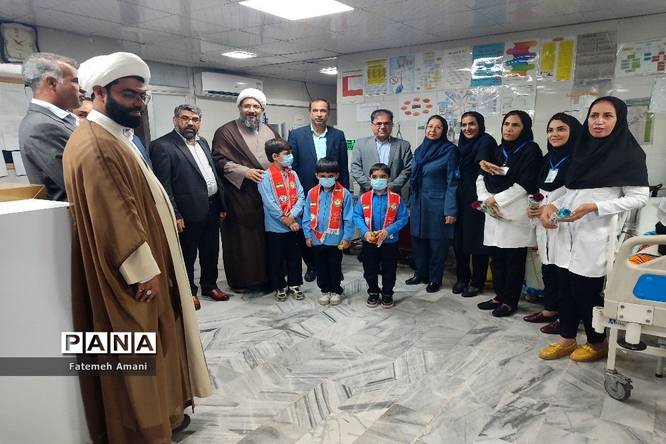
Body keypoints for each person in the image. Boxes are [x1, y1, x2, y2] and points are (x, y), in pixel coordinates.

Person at [63, 52, 212, 443]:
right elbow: (114, 212)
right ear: (99, 92)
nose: (139, 104)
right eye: (129, 95)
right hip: (134, 277)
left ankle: (168, 415)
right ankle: (145, 430)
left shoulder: (116, 136)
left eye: (142, 96)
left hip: (151, 265)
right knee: (137, 350)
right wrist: (142, 271)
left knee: (160, 344)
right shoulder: (96, 143)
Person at [539, 96, 649, 362]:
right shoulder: (581, 150)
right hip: (567, 229)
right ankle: (566, 339)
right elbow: (571, 189)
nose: (599, 121)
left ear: (619, 120)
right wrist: (550, 204)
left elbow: (639, 197)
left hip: (596, 233)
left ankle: (596, 341)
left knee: (585, 290)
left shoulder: (629, 154)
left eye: (607, 116)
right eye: (594, 115)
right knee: (564, 286)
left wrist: (595, 207)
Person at [150, 104, 229, 311]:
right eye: (185, 118)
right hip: (186, 212)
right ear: (175, 120)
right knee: (187, 255)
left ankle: (210, 286)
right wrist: (175, 214)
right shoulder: (162, 146)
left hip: (211, 207)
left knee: (211, 251)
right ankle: (188, 292)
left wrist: (221, 203)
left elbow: (212, 173)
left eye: (195, 119)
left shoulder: (203, 142)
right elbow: (164, 185)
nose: (190, 123)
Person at [476, 110, 543, 317]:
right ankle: (499, 296)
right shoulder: (497, 150)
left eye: (515, 125)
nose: (509, 129)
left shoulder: (530, 150)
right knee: (496, 259)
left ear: (525, 128)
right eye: (506, 124)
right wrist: (485, 199)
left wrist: (496, 199)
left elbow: (525, 184)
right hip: (492, 212)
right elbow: (481, 176)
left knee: (513, 262)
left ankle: (510, 301)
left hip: (515, 214)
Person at [212, 88, 279, 292]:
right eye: (247, 106)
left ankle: (269, 277)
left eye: (256, 106)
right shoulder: (225, 132)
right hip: (239, 195)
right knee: (243, 240)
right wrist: (245, 171)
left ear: (262, 109)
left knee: (267, 237)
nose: (251, 110)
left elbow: (280, 155)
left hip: (267, 194)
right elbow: (218, 160)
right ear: (240, 108)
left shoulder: (269, 131)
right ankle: (244, 281)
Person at [523, 113, 582, 334]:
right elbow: (539, 189)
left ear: (574, 132)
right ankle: (550, 309)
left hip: (567, 223)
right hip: (544, 221)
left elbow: (577, 193)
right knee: (548, 267)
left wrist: (551, 207)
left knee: (565, 273)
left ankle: (567, 318)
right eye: (550, 130)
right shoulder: (548, 158)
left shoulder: (579, 159)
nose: (554, 134)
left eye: (561, 129)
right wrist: (534, 206)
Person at [289, 97, 350, 283]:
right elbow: (293, 167)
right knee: (309, 227)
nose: (319, 114)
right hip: (307, 190)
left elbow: (343, 165)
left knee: (334, 227)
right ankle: (312, 266)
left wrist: (344, 190)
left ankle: (335, 267)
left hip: (333, 191)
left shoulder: (337, 135)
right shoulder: (296, 135)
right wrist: (297, 193)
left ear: (328, 113)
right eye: (315, 110)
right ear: (310, 112)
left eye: (323, 110)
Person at [404, 115, 459, 293]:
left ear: (444, 131)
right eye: (429, 126)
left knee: (437, 243)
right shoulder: (420, 150)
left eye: (438, 127)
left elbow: (452, 182)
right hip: (418, 203)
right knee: (418, 240)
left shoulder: (450, 150)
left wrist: (450, 210)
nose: (432, 130)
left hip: (438, 204)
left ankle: (435, 278)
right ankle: (421, 273)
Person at [19, 52, 81, 201]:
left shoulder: (62, 120)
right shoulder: (42, 127)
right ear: (52, 83)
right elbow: (78, 183)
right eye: (75, 81)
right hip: (76, 213)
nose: (81, 88)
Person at [452, 112, 496, 298]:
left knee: (477, 242)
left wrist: (482, 161)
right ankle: (462, 278)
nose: (467, 128)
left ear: (480, 125)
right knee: (459, 241)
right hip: (460, 198)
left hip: (478, 199)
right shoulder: (462, 144)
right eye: (464, 125)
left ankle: (477, 282)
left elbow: (482, 158)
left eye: (472, 124)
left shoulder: (486, 141)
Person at [354, 163, 409, 309]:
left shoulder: (396, 199)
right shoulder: (364, 198)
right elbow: (357, 216)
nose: (378, 180)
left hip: (390, 241)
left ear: (389, 178)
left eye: (383, 177)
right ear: (370, 178)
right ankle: (373, 292)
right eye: (375, 177)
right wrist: (365, 232)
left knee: (389, 269)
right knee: (369, 269)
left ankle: (387, 293)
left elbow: (403, 218)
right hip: (369, 241)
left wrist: (389, 230)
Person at [257, 138, 306, 301]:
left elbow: (301, 196)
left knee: (294, 257)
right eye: (287, 153)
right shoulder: (265, 176)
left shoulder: (293, 174)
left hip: (294, 224)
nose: (290, 156)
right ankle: (279, 286)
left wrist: (293, 216)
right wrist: (285, 219)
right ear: (275, 156)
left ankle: (295, 284)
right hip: (275, 227)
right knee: (276, 258)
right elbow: (269, 202)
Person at [302, 157, 354, 305]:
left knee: (334, 266)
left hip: (335, 240)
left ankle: (336, 290)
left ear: (337, 175)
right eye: (323, 176)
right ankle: (325, 290)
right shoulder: (311, 193)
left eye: (330, 176)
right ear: (317, 175)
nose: (326, 179)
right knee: (320, 266)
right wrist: (307, 235)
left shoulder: (344, 194)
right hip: (316, 238)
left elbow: (349, 219)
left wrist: (347, 238)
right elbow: (307, 216)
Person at [351, 109, 413, 194]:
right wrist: (370, 186)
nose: (383, 127)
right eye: (379, 123)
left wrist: (392, 186)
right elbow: (355, 167)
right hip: (368, 194)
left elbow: (407, 169)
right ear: (372, 125)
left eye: (386, 123)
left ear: (392, 125)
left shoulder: (403, 146)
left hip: (393, 195)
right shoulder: (360, 144)